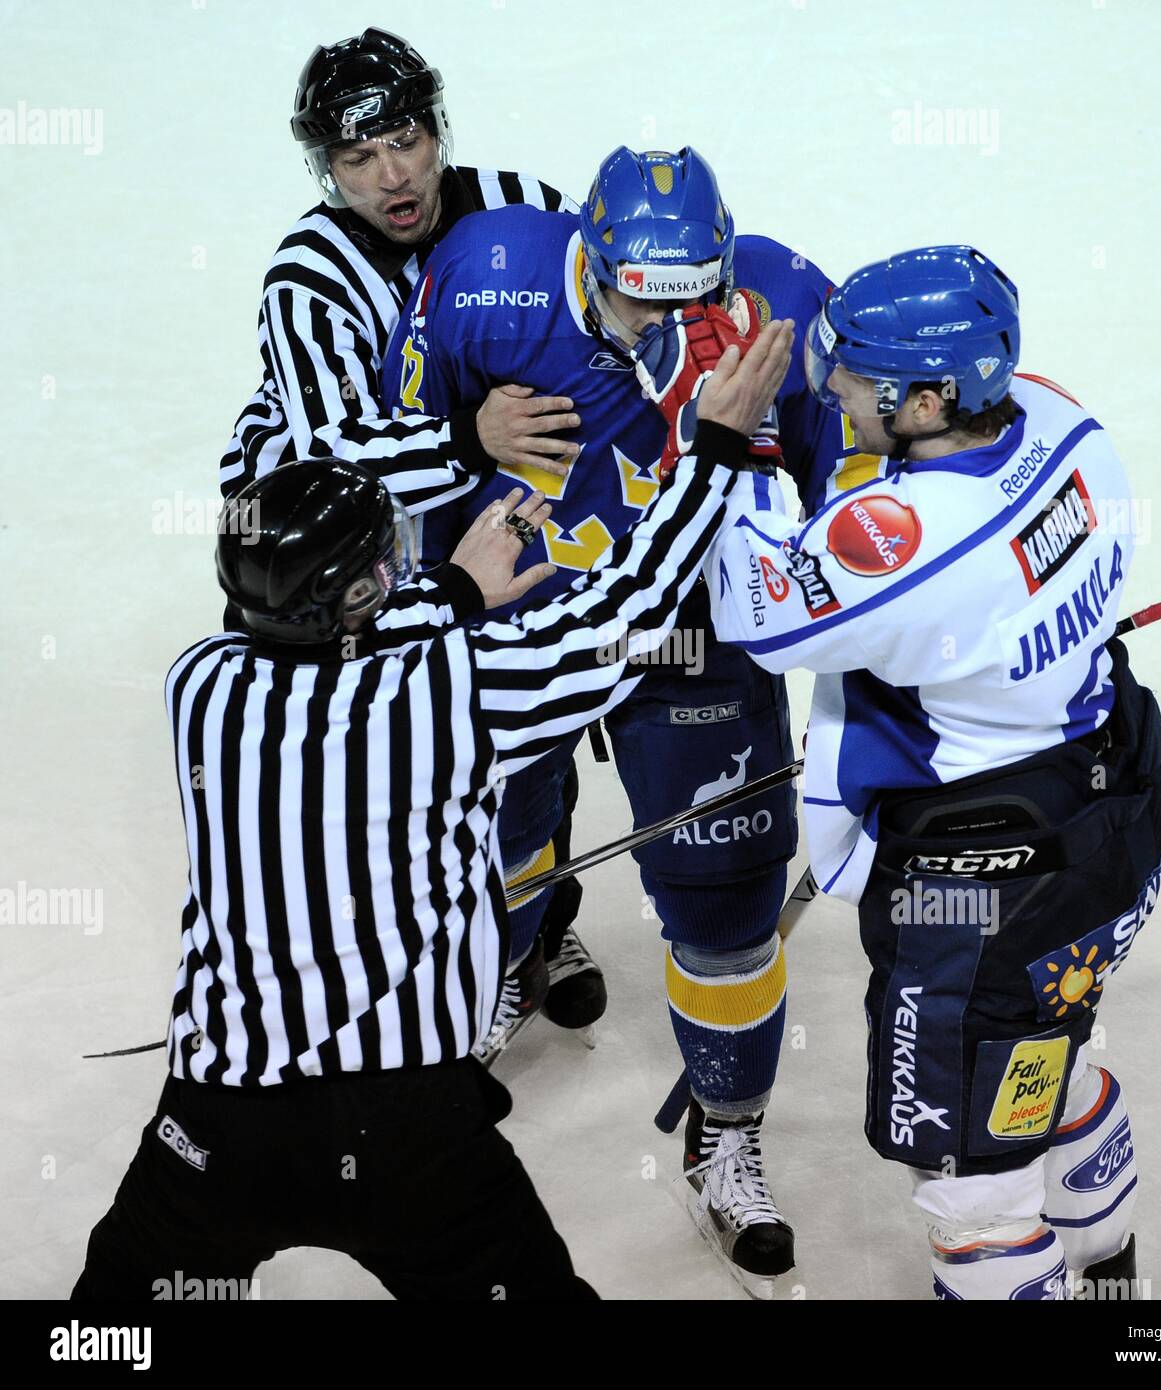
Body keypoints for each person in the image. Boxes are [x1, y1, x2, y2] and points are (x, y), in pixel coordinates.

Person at [70, 315, 797, 1301]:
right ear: (369, 587)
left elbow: (322, 645)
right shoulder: (461, 691)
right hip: (408, 1130)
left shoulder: (198, 686)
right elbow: (623, 610)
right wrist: (713, 449)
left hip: (216, 1120)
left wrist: (451, 586)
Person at [381, 145, 846, 1291]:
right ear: (588, 257)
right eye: (640, 296)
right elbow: (390, 468)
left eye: (693, 300)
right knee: (497, 841)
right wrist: (455, 470)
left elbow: (857, 500)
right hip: (518, 619)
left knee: (727, 909)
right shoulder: (481, 273)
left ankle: (725, 1133)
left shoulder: (783, 303)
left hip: (689, 639)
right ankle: (522, 947)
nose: (667, 327)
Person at [688, 246, 1161, 1300]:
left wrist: (731, 442)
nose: (833, 387)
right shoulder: (1057, 421)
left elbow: (760, 613)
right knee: (1050, 1044)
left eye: (855, 376)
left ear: (925, 398)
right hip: (1108, 811)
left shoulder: (917, 543)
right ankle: (1111, 1275)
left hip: (985, 882)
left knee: (970, 1184)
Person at [219, 26, 580, 521]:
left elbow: (607, 310)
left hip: (480, 475)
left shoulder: (526, 205)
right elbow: (333, 458)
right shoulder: (309, 278)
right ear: (330, 172)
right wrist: (473, 436)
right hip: (304, 521)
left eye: (406, 142)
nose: (392, 178)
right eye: (360, 158)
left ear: (436, 134)